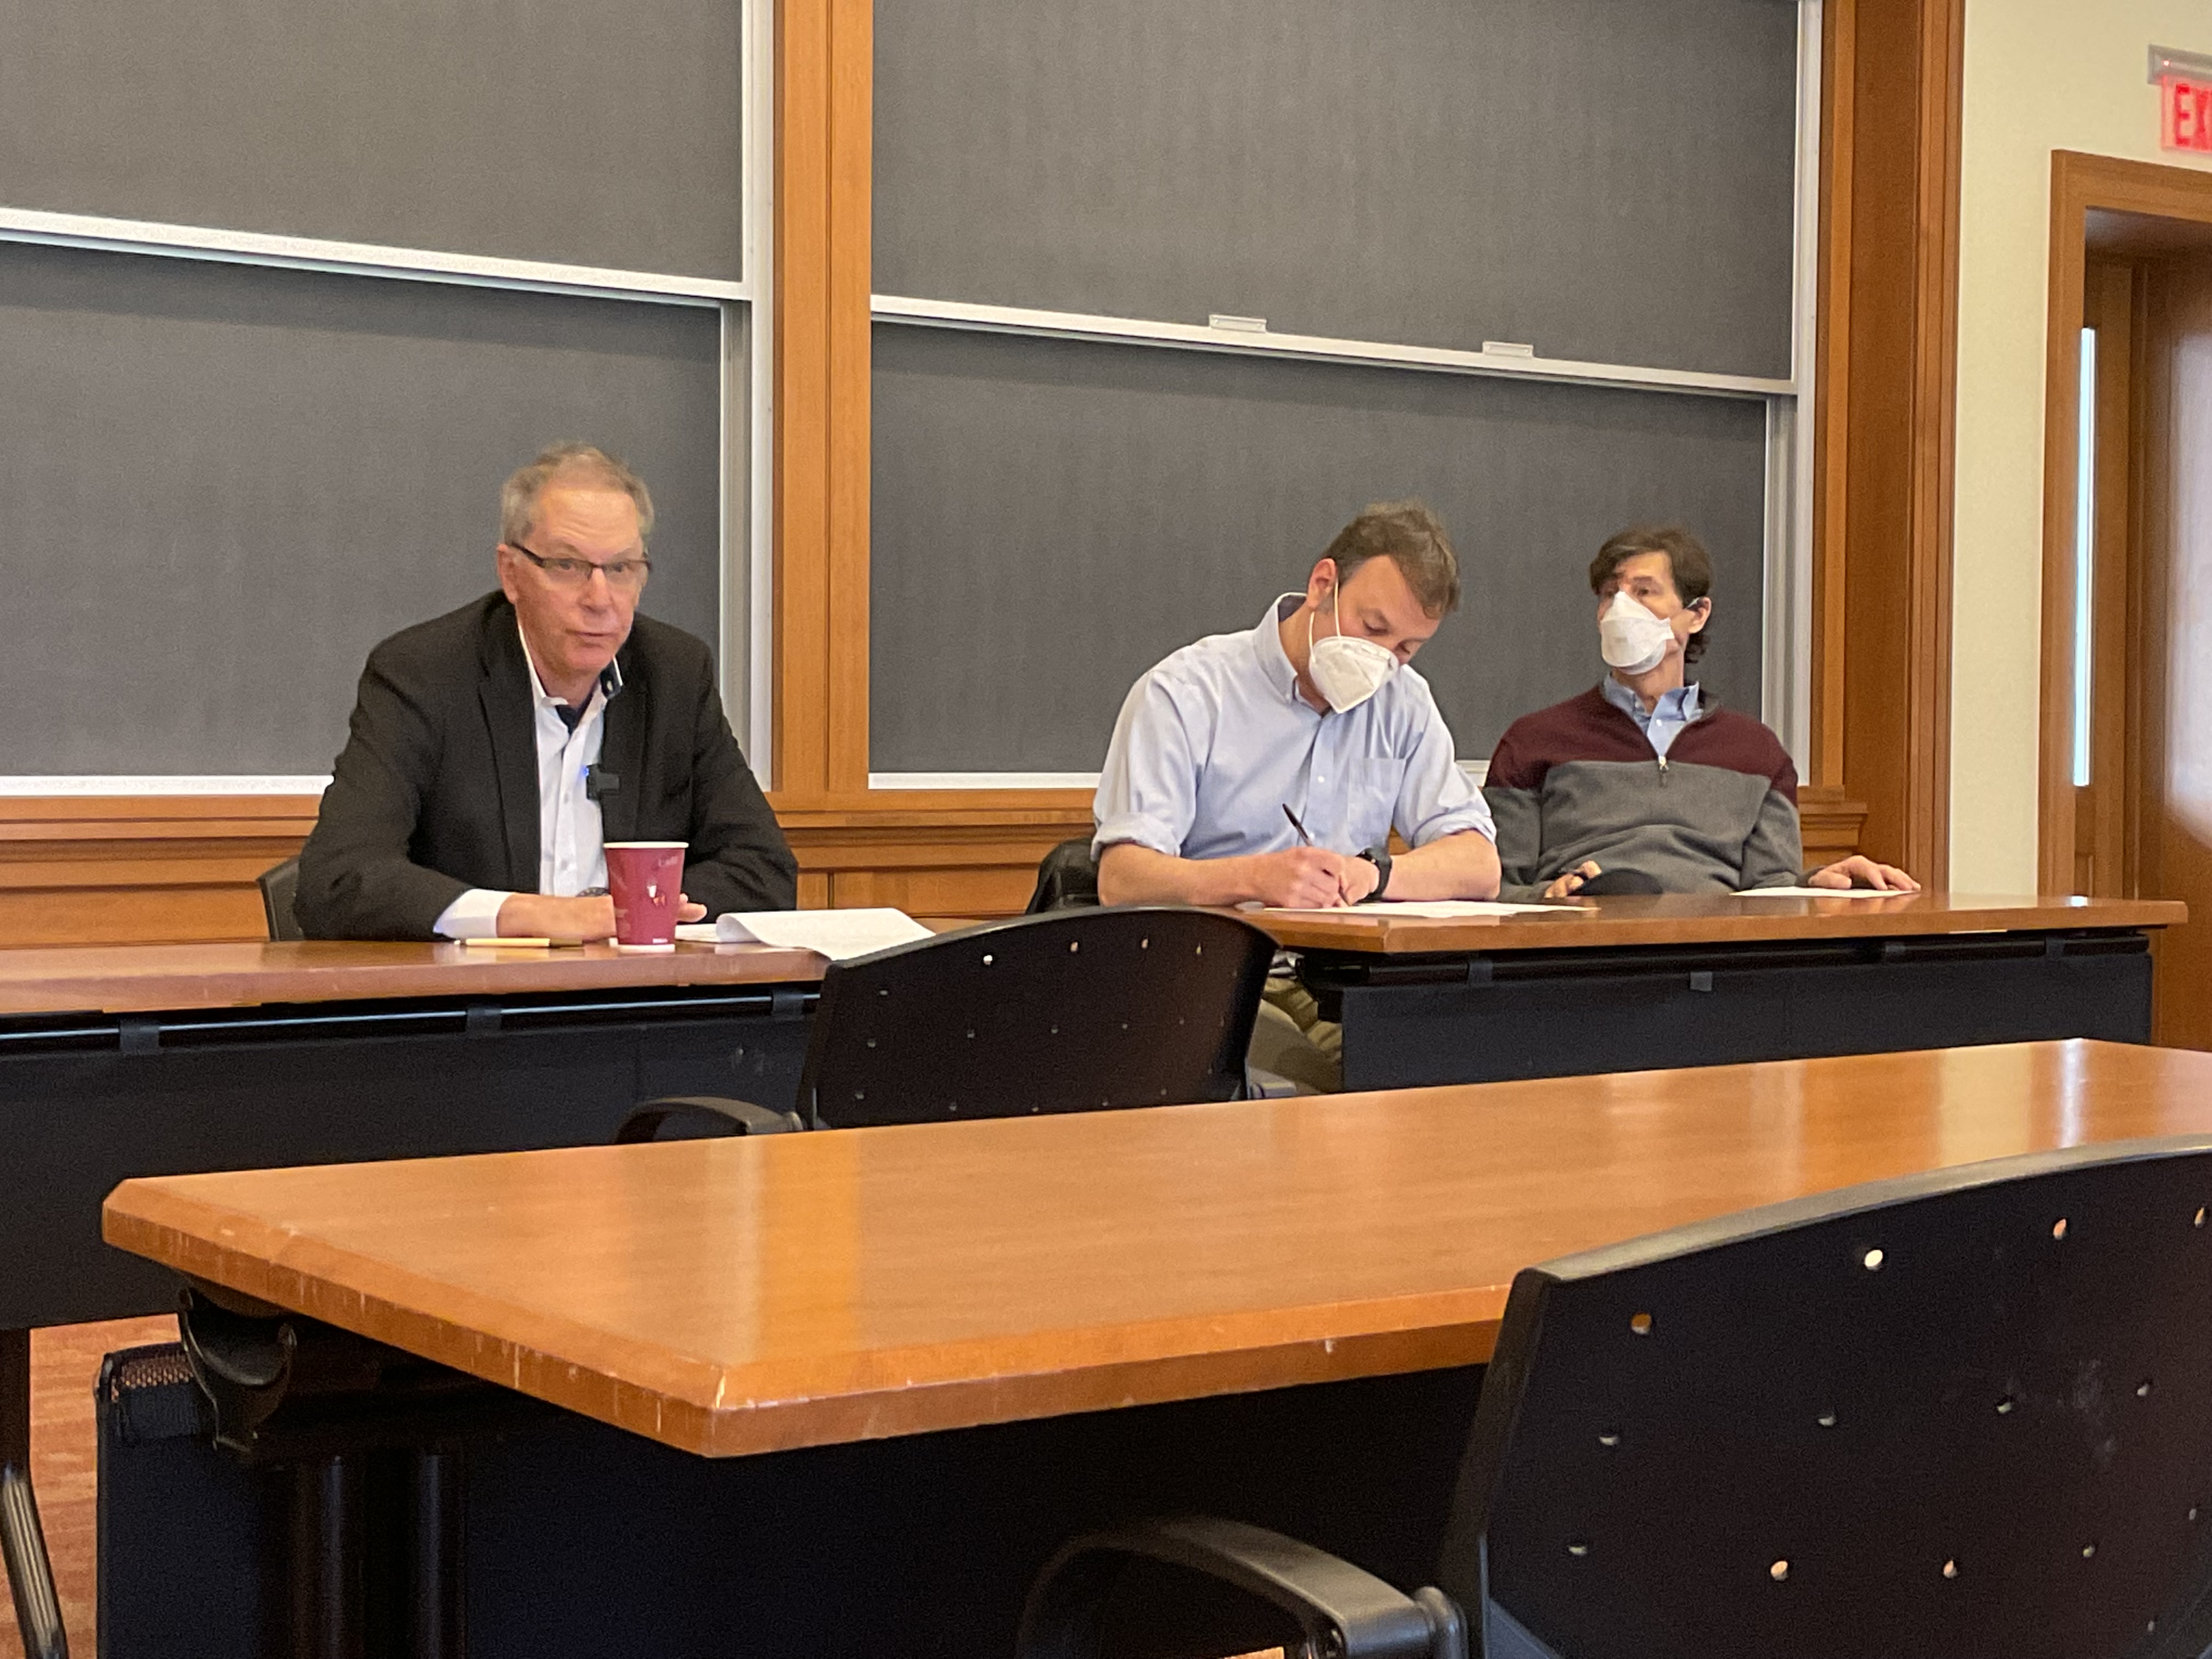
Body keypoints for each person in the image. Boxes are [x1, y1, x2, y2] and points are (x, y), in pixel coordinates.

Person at [296, 443, 795, 939]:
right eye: (568, 566)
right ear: (511, 573)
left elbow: (765, 872)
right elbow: (338, 879)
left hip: (637, 997)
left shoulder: (674, 676)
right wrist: (533, 917)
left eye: (620, 569)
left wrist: (626, 910)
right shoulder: (425, 675)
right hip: (476, 1000)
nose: (599, 599)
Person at [1091, 500, 1500, 1088]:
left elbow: (1478, 863)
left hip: (1349, 980)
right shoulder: (1186, 693)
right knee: (1323, 1097)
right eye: (1373, 628)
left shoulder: (1404, 703)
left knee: (1462, 1075)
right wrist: (1255, 879)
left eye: (1408, 648)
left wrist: (1374, 876)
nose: (1384, 659)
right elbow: (1123, 878)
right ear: (1322, 585)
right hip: (1214, 981)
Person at [1484, 525, 1916, 901]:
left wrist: (1817, 884)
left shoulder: (1756, 753)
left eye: (1644, 592)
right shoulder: (1534, 742)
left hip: (1714, 961)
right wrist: (1551, 896)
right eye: (1610, 594)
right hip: (1579, 955)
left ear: (1696, 614)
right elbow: (1496, 888)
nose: (1621, 610)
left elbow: (1773, 891)